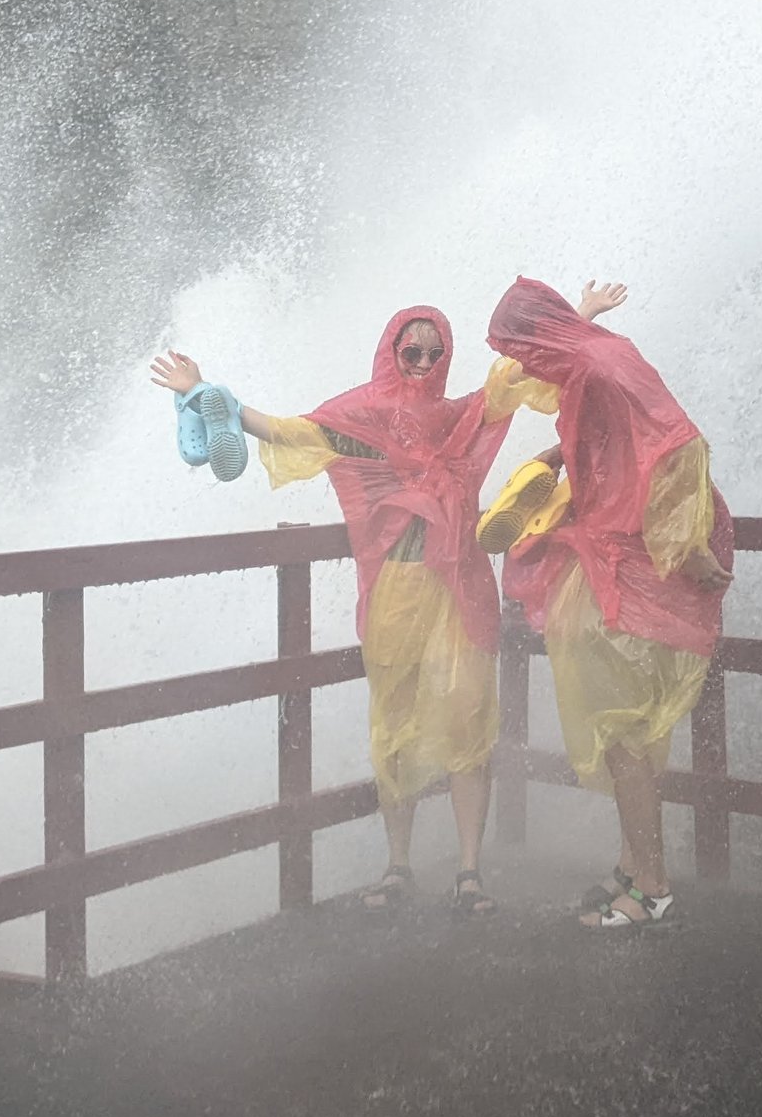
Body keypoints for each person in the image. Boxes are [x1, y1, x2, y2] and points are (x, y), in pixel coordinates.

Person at [150, 309, 554, 918]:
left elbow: (518, 374)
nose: (421, 364)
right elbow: (290, 432)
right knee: (394, 728)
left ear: (445, 358)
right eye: (410, 352)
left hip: (459, 588)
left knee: (469, 724)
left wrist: (575, 321)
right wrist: (206, 391)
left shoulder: (458, 417)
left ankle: (469, 871)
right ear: (389, 352)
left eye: (432, 353)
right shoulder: (363, 415)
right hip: (396, 587)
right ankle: (398, 865)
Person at [484, 277, 732, 930]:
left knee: (625, 733)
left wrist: (689, 543)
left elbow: (675, 441)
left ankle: (652, 888)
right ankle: (630, 864)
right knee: (635, 731)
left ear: (539, 337)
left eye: (521, 345)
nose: (524, 363)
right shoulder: (591, 358)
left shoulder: (595, 368)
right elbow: (618, 438)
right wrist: (580, 316)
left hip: (633, 569)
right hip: (620, 561)